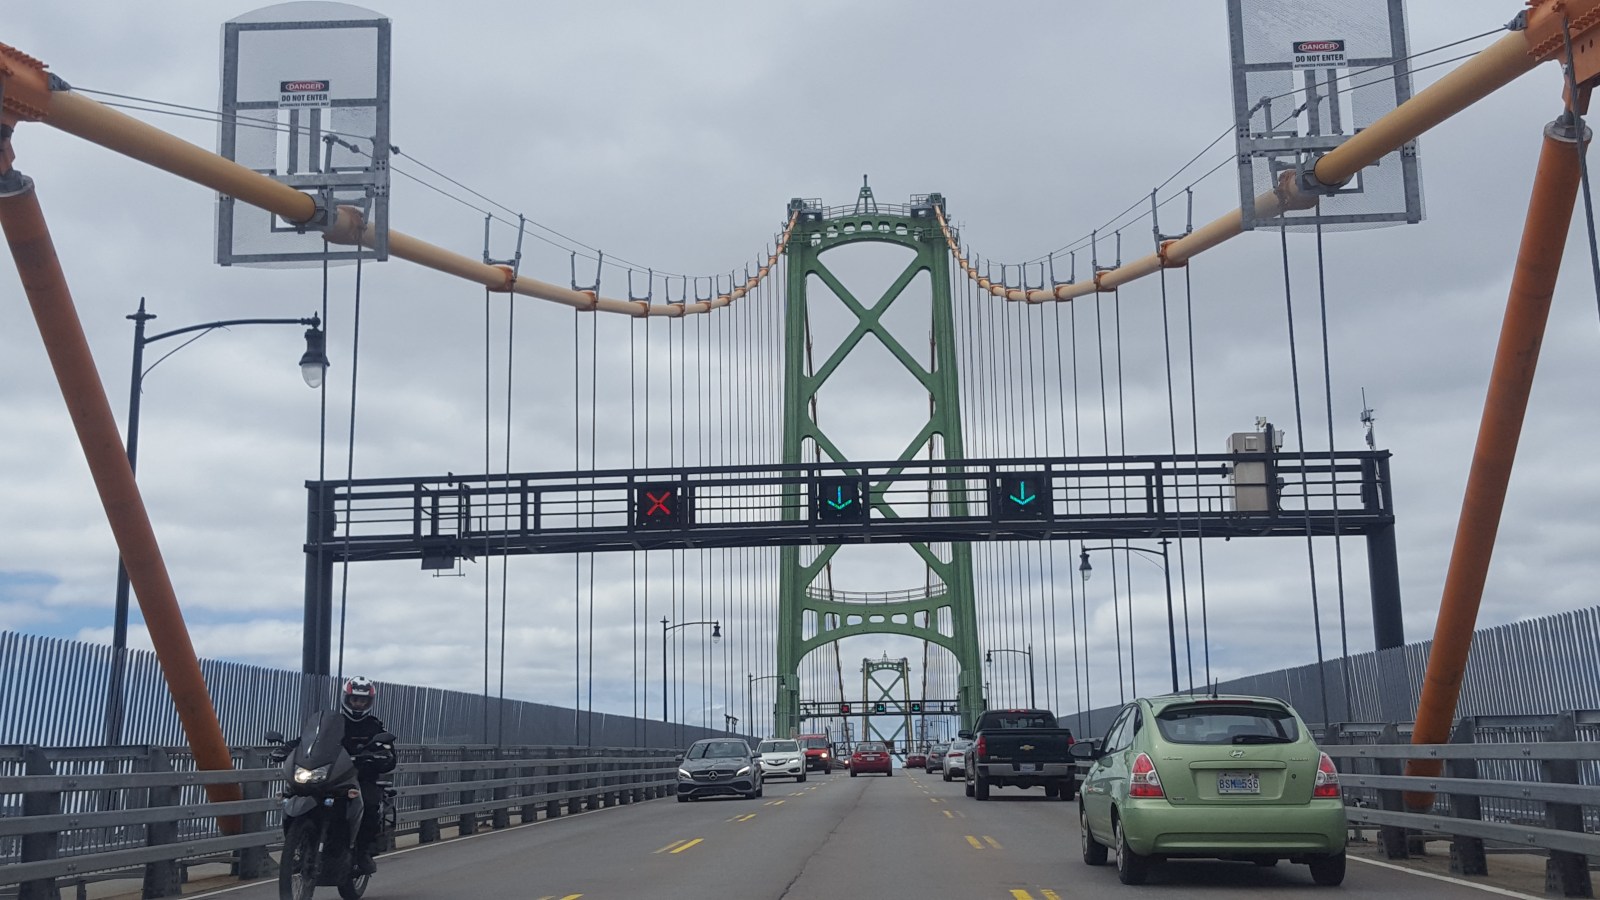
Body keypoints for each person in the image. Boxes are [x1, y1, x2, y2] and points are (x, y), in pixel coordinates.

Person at [338, 676, 396, 876]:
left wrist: (381, 757)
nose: (358, 704)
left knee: (370, 804)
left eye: (363, 701)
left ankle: (363, 852)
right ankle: (300, 844)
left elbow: (390, 754)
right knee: (301, 795)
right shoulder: (334, 721)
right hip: (335, 776)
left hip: (363, 778)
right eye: (355, 700)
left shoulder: (374, 726)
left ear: (369, 702)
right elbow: (311, 739)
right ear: (347, 699)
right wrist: (290, 747)